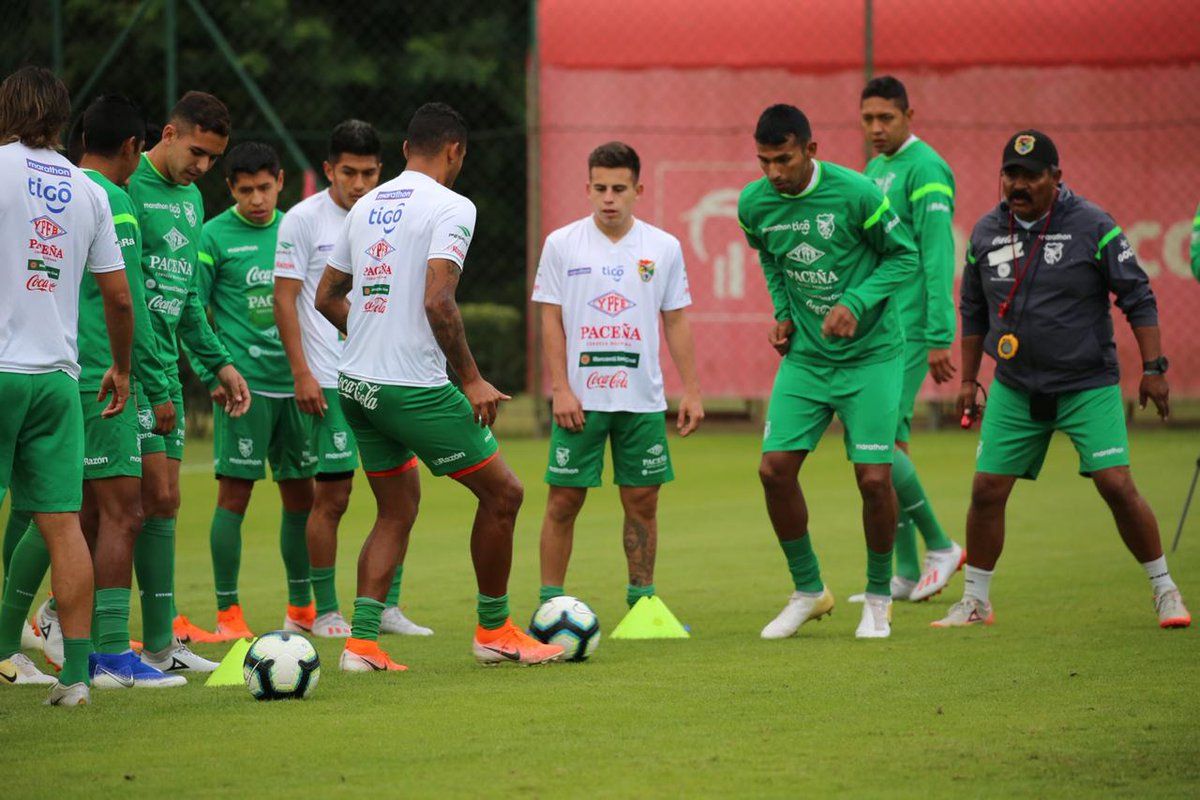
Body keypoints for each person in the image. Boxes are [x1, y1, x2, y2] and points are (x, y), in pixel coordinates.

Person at [315, 102, 562, 669]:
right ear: (456, 152)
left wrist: (374, 332)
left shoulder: (365, 204)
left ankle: (361, 643)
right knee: (505, 495)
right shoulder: (453, 206)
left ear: (404, 150)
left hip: (355, 385)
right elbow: (438, 300)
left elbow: (327, 296)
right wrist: (472, 380)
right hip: (410, 389)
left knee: (395, 510)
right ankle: (495, 631)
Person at [935, 129, 1190, 630]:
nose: (1018, 184)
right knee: (987, 489)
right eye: (1011, 173)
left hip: (1086, 382)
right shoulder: (987, 232)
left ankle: (1165, 589)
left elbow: (1137, 295)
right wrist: (969, 380)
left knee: (1115, 484)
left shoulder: (1093, 225)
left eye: (1031, 175)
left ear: (1056, 177)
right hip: (1015, 384)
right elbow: (972, 309)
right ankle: (975, 602)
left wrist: (1154, 369)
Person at [1, 95, 185, 688]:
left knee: (69, 514)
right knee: (83, 517)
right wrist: (137, 375)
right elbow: (122, 297)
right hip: (72, 374)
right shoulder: (96, 195)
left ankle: (18, 646)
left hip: (22, 369)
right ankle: (89, 667)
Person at [738, 104, 919, 640]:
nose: (773, 172)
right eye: (764, 161)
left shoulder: (856, 192)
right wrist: (784, 313)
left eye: (784, 159)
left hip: (873, 357)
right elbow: (771, 257)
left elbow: (903, 257)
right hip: (809, 360)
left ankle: (880, 598)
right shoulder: (754, 204)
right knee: (773, 471)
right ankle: (809, 590)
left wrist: (857, 301)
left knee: (873, 478)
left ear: (811, 151)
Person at [0, 67, 133, 705]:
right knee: (62, 527)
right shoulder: (89, 192)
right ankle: (76, 679)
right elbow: (118, 298)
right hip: (58, 377)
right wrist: (124, 367)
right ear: (62, 119)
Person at [274, 120, 431, 638]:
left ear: (381, 170)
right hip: (329, 380)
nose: (359, 183)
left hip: (387, 379)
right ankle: (325, 611)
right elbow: (286, 299)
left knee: (400, 495)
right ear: (328, 170)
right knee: (334, 498)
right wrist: (302, 373)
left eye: (368, 173)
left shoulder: (390, 215)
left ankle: (386, 607)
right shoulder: (301, 220)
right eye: (348, 172)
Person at [531, 141, 703, 611]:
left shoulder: (662, 247)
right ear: (587, 189)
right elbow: (550, 319)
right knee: (563, 502)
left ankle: (642, 603)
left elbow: (676, 319)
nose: (609, 198)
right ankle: (550, 605)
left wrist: (690, 390)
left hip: (641, 401)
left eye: (619, 189)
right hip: (579, 403)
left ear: (638, 190)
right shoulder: (562, 244)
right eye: (601, 188)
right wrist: (560, 389)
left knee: (643, 503)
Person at [126, 91, 250, 673]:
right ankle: (58, 618)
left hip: (167, 372)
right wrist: (149, 380)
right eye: (197, 152)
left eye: (213, 159)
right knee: (102, 507)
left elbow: (187, 302)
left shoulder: (194, 200)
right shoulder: (128, 185)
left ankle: (160, 643)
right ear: (169, 133)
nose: (203, 167)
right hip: (125, 370)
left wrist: (217, 364)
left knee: (163, 502)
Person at [184, 142, 319, 640]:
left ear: (281, 181)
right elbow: (188, 308)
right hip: (245, 391)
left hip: (300, 386)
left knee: (302, 498)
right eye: (246, 191)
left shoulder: (298, 228)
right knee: (234, 498)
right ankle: (228, 614)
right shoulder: (213, 236)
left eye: (265, 188)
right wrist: (211, 373)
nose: (257, 199)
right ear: (231, 190)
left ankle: (302, 607)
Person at [859, 76, 964, 601]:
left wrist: (940, 335)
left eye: (886, 118)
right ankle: (902, 572)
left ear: (908, 115)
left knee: (875, 444)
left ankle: (941, 545)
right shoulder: (876, 169)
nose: (876, 129)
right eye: (868, 119)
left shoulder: (925, 168)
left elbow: (938, 253)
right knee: (887, 446)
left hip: (911, 328)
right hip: (880, 326)